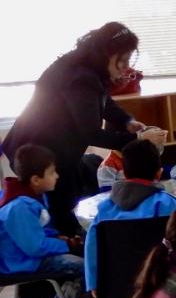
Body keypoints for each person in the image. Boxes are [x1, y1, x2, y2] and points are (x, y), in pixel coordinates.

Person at [1, 22, 167, 234]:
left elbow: (102, 100)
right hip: (37, 150)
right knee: (62, 210)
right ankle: (69, 251)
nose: (126, 67)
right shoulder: (80, 77)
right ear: (107, 53)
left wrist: (127, 121)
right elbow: (91, 133)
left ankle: (68, 239)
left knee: (67, 198)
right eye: (122, 60)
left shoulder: (89, 66)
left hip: (48, 145)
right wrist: (140, 139)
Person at [0, 144, 87, 298]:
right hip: (19, 263)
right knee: (85, 268)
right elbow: (35, 247)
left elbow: (38, 233)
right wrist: (66, 244)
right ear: (36, 179)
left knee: (81, 256)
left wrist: (57, 238)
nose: (56, 176)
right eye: (52, 172)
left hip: (26, 256)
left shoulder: (30, 196)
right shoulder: (19, 206)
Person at [84, 139, 176, 296]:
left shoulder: (104, 210)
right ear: (159, 173)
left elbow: (92, 247)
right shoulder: (169, 204)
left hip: (115, 289)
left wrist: (93, 284)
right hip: (161, 288)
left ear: (125, 173)